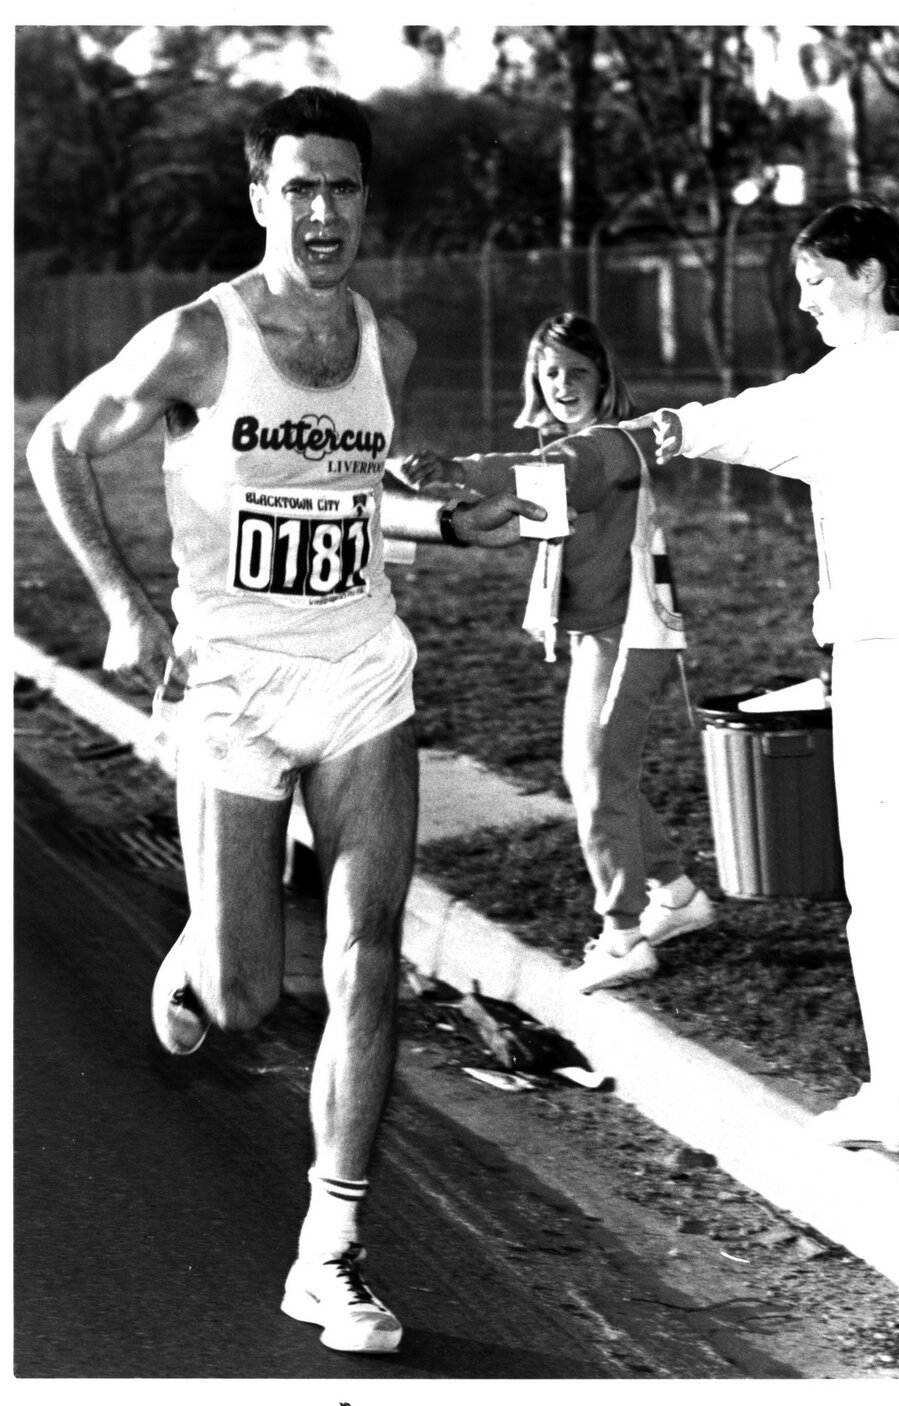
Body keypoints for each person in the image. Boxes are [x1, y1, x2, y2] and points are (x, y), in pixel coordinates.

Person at [25, 86, 550, 1356]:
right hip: (234, 689)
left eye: (345, 188)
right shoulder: (199, 340)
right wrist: (122, 600)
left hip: (364, 672)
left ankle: (329, 1252)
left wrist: (449, 524)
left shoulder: (391, 347)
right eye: (299, 186)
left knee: (371, 958)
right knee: (249, 993)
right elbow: (56, 441)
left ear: (366, 202)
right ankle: (203, 950)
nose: (323, 211)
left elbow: (352, 495)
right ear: (260, 197)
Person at [623, 199, 899, 1156]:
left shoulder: (846, 383)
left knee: (890, 878)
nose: (806, 300)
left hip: (893, 647)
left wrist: (633, 437)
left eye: (817, 279)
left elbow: (715, 426)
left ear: (867, 274)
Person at [401, 312, 715, 996]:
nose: (564, 384)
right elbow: (537, 483)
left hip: (633, 634)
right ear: (534, 383)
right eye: (551, 373)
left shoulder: (611, 444)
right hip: (599, 634)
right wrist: (448, 481)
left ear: (603, 377)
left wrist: (458, 470)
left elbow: (554, 476)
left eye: (578, 371)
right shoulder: (567, 444)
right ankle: (678, 892)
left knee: (596, 772)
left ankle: (624, 935)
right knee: (600, 772)